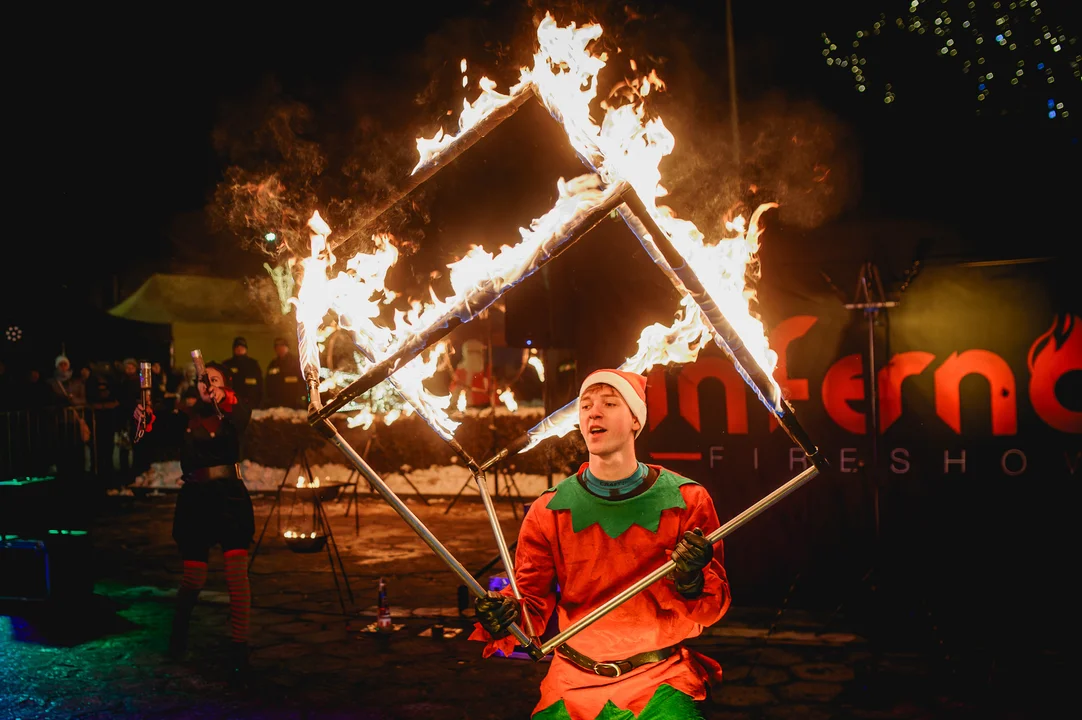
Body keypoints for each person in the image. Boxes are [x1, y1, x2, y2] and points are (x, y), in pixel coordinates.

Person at [471, 369, 730, 720]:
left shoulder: (687, 499)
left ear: (636, 420)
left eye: (609, 403)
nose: (594, 412)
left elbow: (711, 610)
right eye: (586, 405)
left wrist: (691, 579)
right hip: (572, 683)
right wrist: (506, 615)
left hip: (659, 681)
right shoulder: (548, 510)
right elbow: (531, 605)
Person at [134, 360, 254, 679]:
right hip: (197, 502)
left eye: (214, 380)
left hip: (230, 499)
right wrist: (144, 419)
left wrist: (224, 399)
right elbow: (151, 434)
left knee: (235, 575)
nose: (207, 384)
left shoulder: (233, 413)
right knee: (193, 578)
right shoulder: (185, 418)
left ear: (225, 386)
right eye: (203, 380)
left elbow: (242, 418)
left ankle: (239, 645)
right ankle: (178, 637)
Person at [263, 337, 306, 409]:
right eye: (277, 347)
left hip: (295, 401)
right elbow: (268, 382)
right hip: (277, 402)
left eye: (282, 346)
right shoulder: (273, 364)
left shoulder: (296, 362)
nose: (280, 349)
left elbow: (302, 380)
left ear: (287, 347)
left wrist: (300, 397)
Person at [221, 337, 263, 409]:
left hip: (251, 402)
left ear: (246, 349)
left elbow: (260, 385)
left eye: (242, 347)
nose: (239, 349)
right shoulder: (227, 364)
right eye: (237, 347)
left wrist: (259, 402)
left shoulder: (253, 364)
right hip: (232, 402)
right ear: (234, 349)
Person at [450, 338, 492, 408]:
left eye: (477, 352)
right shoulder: (460, 370)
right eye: (470, 352)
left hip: (482, 406)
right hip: (463, 406)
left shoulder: (485, 370)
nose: (474, 356)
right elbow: (453, 388)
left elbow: (491, 389)